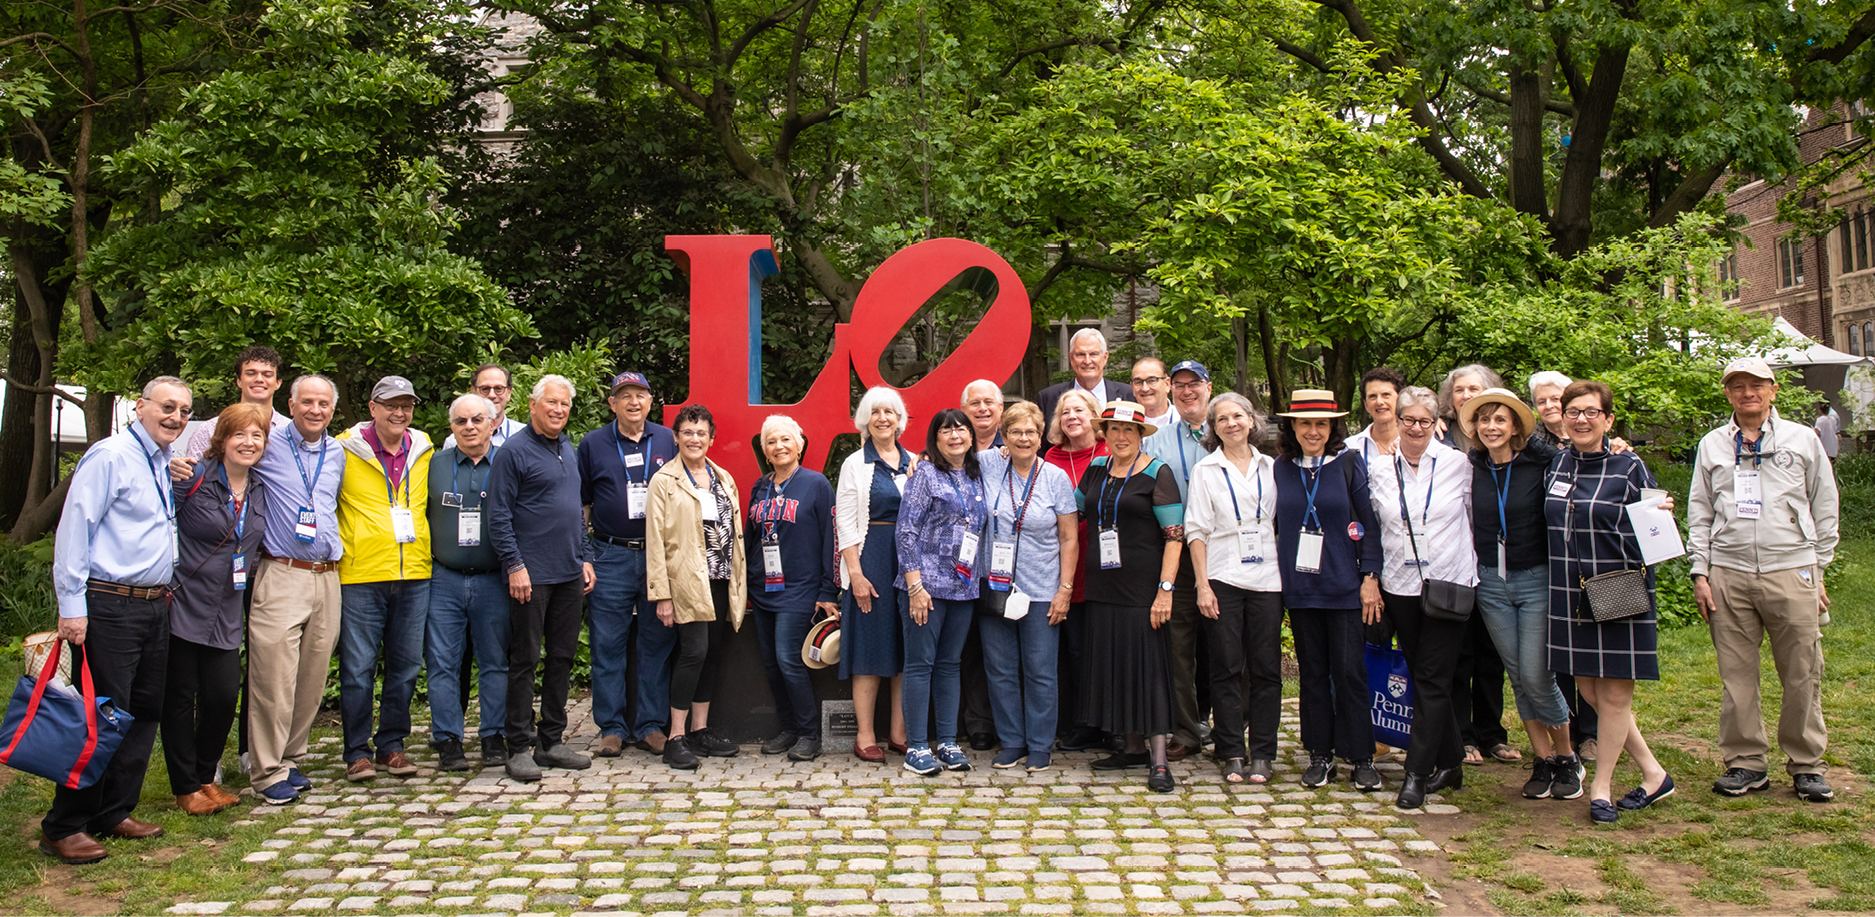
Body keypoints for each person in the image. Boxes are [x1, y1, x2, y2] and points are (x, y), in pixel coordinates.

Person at [44, 377, 193, 864]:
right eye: (167, 407)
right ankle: (64, 824)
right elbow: (75, 529)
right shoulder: (109, 456)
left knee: (143, 710)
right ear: (140, 407)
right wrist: (72, 606)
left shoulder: (157, 463)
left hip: (153, 603)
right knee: (101, 714)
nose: (176, 417)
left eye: (185, 411)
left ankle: (112, 809)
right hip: (109, 602)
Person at [1688, 357, 1839, 803]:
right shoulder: (1712, 445)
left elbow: (1824, 504)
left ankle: (1807, 764)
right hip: (1729, 573)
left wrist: (1818, 567)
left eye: (1757, 385)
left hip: (1790, 569)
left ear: (1773, 390)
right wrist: (1701, 571)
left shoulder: (1802, 439)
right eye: (1738, 386)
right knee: (1736, 677)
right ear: (1727, 394)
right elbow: (1700, 512)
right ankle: (1745, 763)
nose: (1748, 393)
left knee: (1802, 672)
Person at [1546, 379, 1674, 823]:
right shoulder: (1556, 466)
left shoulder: (1629, 466)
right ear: (1563, 419)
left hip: (1618, 591)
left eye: (1591, 412)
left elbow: (1659, 533)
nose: (1581, 419)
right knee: (1588, 691)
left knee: (1615, 695)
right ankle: (1655, 774)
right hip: (1568, 595)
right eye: (1573, 412)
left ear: (1608, 419)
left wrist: (1662, 514)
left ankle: (1600, 788)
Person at [1461, 388, 1582, 801]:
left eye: (1499, 420)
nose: (1491, 427)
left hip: (1536, 579)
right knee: (1517, 676)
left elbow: (1587, 464)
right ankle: (1542, 759)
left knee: (1536, 674)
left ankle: (1568, 757)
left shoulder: (1542, 462)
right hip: (1491, 582)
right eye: (1483, 420)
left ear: (1515, 426)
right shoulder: (1471, 466)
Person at [241, 374, 345, 805]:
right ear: (292, 403)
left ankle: (290, 757)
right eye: (308, 402)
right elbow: (225, 450)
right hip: (282, 571)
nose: (315, 410)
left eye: (324, 404)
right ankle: (265, 771)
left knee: (311, 676)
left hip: (327, 575)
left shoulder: (337, 451)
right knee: (273, 676)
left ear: (333, 410)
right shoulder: (267, 442)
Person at [1368, 387, 1474, 807]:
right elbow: (1372, 527)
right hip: (1400, 585)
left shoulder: (1457, 465)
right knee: (1422, 673)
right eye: (1407, 420)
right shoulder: (1379, 468)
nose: (1414, 428)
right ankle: (1451, 762)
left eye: (1423, 421)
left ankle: (1417, 772)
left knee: (1431, 678)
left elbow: (1474, 518)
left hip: (1448, 581)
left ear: (1436, 424)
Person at [1272, 389, 1383, 789]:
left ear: (1333, 426)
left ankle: (1361, 756)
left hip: (1344, 587)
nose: (1313, 431)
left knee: (1350, 673)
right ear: (1293, 427)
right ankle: (1320, 754)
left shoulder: (1349, 464)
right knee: (1313, 674)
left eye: (1321, 423)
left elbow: (1368, 523)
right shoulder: (1281, 468)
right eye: (1305, 423)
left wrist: (1370, 577)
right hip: (1301, 588)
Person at [487, 374, 596, 781]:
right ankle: (517, 746)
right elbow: (497, 516)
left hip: (569, 573)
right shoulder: (514, 453)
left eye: (565, 404)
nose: (558, 410)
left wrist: (585, 557)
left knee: (563, 658)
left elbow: (576, 512)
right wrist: (515, 566)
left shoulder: (568, 448)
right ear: (532, 405)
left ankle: (551, 740)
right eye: (551, 403)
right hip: (530, 577)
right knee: (525, 660)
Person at [166, 403, 270, 816]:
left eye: (256, 435)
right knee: (178, 698)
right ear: (222, 440)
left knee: (224, 695)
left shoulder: (262, 487)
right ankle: (186, 786)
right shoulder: (190, 478)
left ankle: (205, 774)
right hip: (184, 601)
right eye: (239, 435)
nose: (248, 443)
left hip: (228, 606)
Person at [1075, 401, 1183, 793]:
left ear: (1140, 436)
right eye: (1114, 429)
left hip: (1143, 589)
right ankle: (1132, 747)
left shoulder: (1158, 472)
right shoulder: (1096, 470)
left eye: (1129, 431)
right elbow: (1070, 512)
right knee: (1116, 666)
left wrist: (1165, 591)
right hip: (1103, 587)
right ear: (1104, 433)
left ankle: (1158, 761)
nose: (1121, 437)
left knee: (1148, 669)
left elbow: (1175, 536)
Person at [333, 375, 434, 782]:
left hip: (414, 572)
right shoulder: (343, 449)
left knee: (406, 666)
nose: (400, 412)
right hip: (361, 573)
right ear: (372, 407)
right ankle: (356, 751)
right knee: (357, 668)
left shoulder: (424, 449)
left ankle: (391, 745)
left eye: (406, 404)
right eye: (391, 404)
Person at [578, 371, 679, 758]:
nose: (633, 402)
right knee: (608, 643)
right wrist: (585, 554)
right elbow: (581, 504)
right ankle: (612, 727)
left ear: (651, 402)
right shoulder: (593, 444)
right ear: (612, 403)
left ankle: (651, 725)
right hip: (610, 554)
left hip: (657, 555)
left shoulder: (668, 439)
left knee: (656, 640)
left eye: (640, 395)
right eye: (625, 396)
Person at [975, 402, 1079, 772]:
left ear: (1041, 437)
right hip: (996, 586)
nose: (1023, 438)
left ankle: (1039, 744)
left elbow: (1069, 538)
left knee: (1040, 670)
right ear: (1004, 436)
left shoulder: (1055, 478)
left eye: (1030, 432)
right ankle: (1012, 741)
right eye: (1015, 432)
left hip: (1041, 589)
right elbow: (948, 454)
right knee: (1000, 669)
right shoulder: (989, 465)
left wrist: (1064, 589)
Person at [1185, 392, 1282, 785]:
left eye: (1237, 416)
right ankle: (1230, 751)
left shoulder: (1272, 467)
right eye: (1221, 419)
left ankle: (1262, 751)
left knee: (1266, 669)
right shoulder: (1207, 470)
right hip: (1223, 576)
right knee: (1225, 668)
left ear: (1251, 420)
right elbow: (1196, 530)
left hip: (1268, 579)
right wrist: (1203, 585)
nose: (1231, 424)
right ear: (1213, 428)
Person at [646, 404, 747, 770]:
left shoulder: (722, 477)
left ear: (711, 438)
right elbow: (655, 539)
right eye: (687, 432)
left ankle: (701, 729)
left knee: (714, 652)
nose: (694, 438)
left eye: (701, 432)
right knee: (694, 652)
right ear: (676, 437)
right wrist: (662, 594)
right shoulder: (664, 480)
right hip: (686, 581)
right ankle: (676, 735)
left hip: (721, 580)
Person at [896, 408, 987, 776]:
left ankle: (947, 741)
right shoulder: (924, 475)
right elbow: (905, 532)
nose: (955, 436)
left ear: (970, 436)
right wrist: (915, 586)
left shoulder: (976, 475)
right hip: (926, 588)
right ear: (935, 439)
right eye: (946, 431)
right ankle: (916, 745)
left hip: (963, 588)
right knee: (920, 664)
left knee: (951, 665)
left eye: (961, 430)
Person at [424, 394, 511, 771]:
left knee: (495, 662)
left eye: (478, 419)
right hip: (445, 577)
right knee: (442, 663)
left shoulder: (508, 462)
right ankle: (448, 740)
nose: (470, 427)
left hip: (494, 579)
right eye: (461, 421)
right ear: (451, 427)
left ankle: (493, 735)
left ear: (493, 423)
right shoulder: (434, 465)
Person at [746, 415, 840, 761]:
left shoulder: (816, 485)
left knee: (789, 660)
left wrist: (828, 590)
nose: (779, 446)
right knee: (771, 663)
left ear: (799, 444)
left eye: (785, 439)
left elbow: (832, 539)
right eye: (771, 442)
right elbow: (751, 539)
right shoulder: (761, 486)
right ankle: (788, 728)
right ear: (765, 451)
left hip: (800, 590)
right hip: (762, 589)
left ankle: (808, 733)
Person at [1438, 364, 1514, 766]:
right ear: (1451, 399)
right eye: (1460, 389)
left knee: (1492, 653)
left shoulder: (1499, 441)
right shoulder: (1438, 438)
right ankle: (1462, 735)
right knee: (1459, 652)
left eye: (1475, 389)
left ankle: (1492, 733)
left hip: (1494, 562)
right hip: (1452, 563)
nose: (1467, 395)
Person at [835, 388, 914, 761]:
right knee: (869, 649)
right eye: (876, 412)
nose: (883, 418)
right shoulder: (855, 463)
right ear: (865, 420)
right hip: (872, 561)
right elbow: (847, 524)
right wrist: (857, 574)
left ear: (900, 419)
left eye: (890, 412)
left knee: (905, 646)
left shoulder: (915, 462)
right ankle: (865, 734)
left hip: (910, 564)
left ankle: (899, 732)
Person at [1142, 360, 1213, 760]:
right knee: (1179, 647)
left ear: (1208, 387)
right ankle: (1187, 730)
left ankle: (1233, 726)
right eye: (1181, 384)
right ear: (1171, 388)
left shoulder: (1227, 428)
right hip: (1177, 552)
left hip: (1225, 551)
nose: (1188, 392)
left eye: (1195, 384)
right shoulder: (1157, 440)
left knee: (1228, 646)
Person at [1528, 370, 1599, 759]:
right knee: (1561, 655)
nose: (1551, 407)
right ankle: (1566, 731)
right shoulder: (1537, 449)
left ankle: (1592, 732)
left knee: (1592, 654)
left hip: (1596, 567)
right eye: (1542, 401)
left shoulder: (1602, 445)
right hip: (1553, 565)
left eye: (1557, 399)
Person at [1041, 388, 1108, 751]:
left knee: (1105, 648)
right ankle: (1081, 723)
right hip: (1065, 565)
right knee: (1075, 651)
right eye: (1065, 412)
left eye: (1079, 410)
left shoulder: (1110, 451)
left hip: (1105, 565)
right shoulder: (1049, 457)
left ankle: (1112, 722)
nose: (1072, 417)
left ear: (1094, 415)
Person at [957, 380, 1004, 749]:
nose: (983, 408)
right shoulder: (951, 450)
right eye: (975, 403)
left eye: (990, 402)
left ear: (1001, 408)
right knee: (970, 649)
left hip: (1008, 568)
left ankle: (1010, 722)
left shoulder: (1017, 445)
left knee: (1004, 651)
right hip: (962, 570)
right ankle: (979, 724)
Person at [184, 345, 287, 460]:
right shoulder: (209, 430)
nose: (259, 379)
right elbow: (193, 474)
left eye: (267, 374)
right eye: (251, 373)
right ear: (239, 381)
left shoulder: (290, 430)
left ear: (278, 383)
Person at [1036, 328, 1137, 427]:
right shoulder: (1049, 398)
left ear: (1105, 358)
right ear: (1071, 358)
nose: (1087, 361)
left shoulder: (1127, 395)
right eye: (1081, 354)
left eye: (1093, 354)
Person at [445, 363, 528, 448]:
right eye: (485, 389)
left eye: (499, 389)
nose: (492, 395)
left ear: (509, 393)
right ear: (473, 392)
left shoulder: (526, 437)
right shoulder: (453, 443)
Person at [1346, 366, 1407, 464]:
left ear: (1400, 400)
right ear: (1366, 405)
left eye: (1386, 395)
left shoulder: (1414, 444)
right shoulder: (1351, 447)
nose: (1379, 402)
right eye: (1372, 396)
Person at [1131, 358, 1174, 428]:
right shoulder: (1124, 423)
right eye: (1138, 382)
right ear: (1132, 387)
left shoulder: (1184, 420)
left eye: (1152, 381)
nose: (1145, 388)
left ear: (1167, 384)